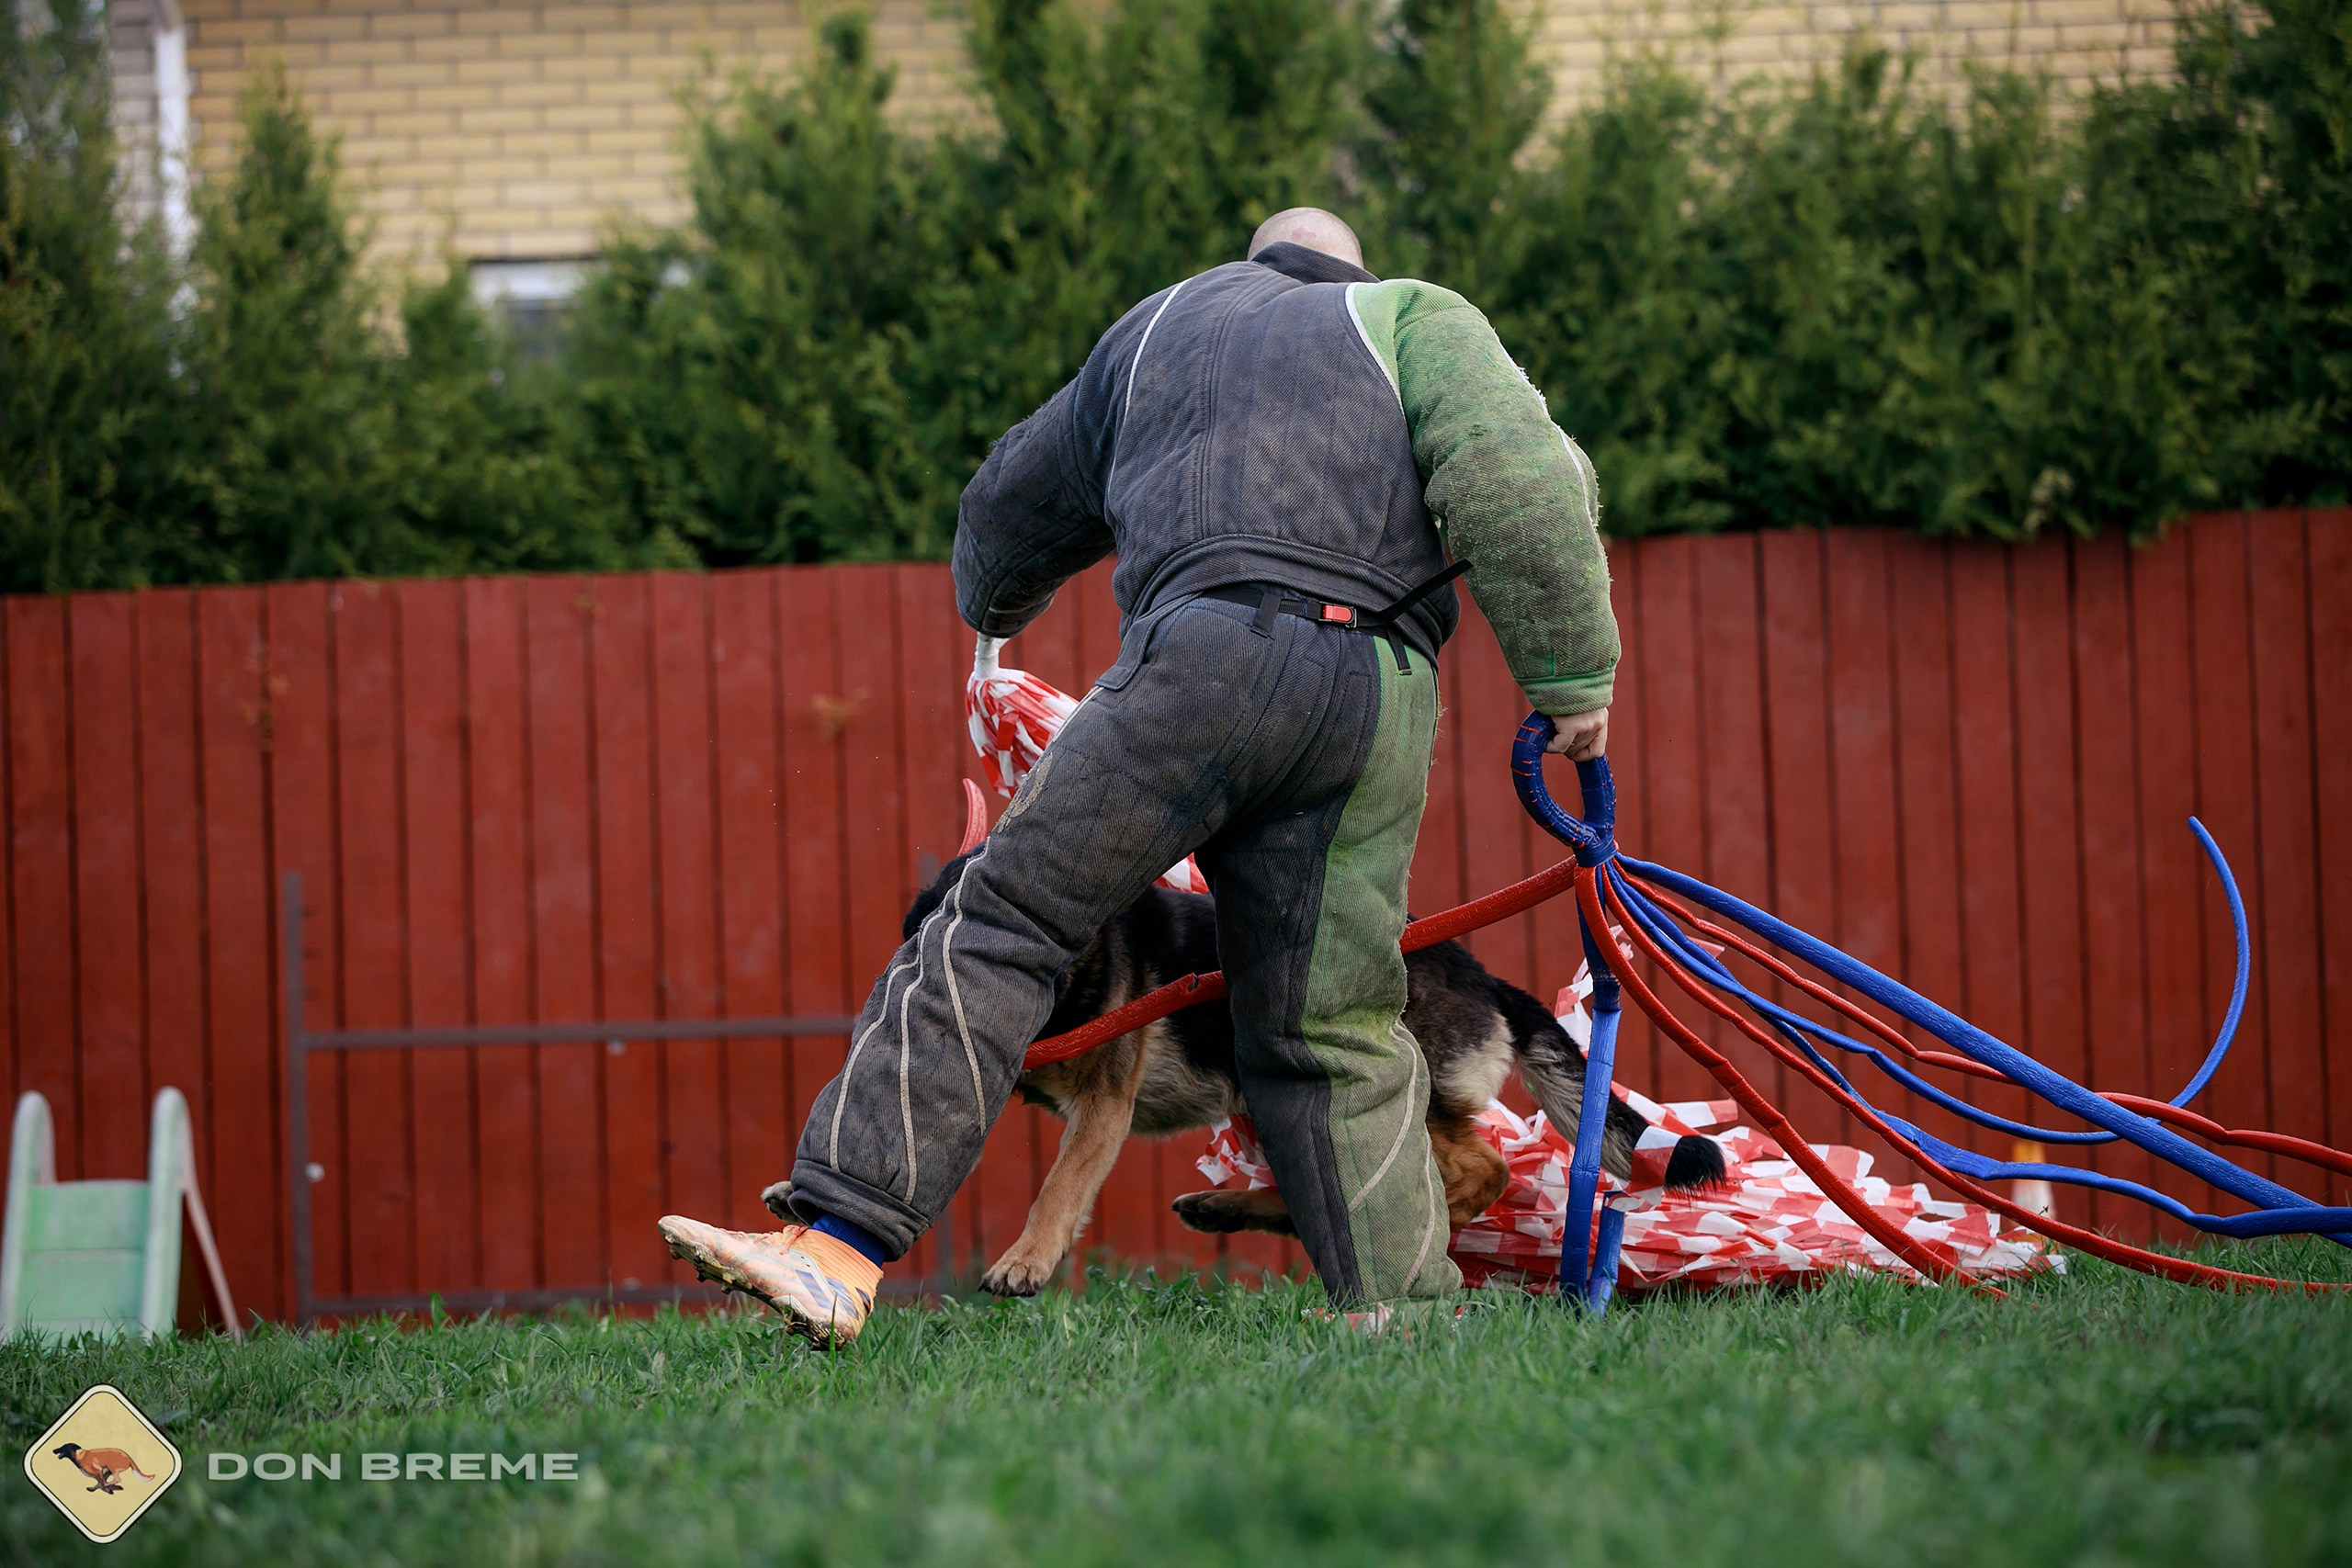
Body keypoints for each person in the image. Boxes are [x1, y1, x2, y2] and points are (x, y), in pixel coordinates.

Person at [658, 207, 1618, 1345]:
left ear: (1255, 263)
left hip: (1195, 661)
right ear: (1350, 266)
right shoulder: (1417, 317)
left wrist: (994, 615)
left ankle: (835, 1249)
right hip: (1373, 698)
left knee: (1005, 919)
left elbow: (1010, 501)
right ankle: (1398, 1318)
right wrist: (1571, 677)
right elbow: (1523, 478)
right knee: (1338, 1021)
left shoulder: (1164, 323)